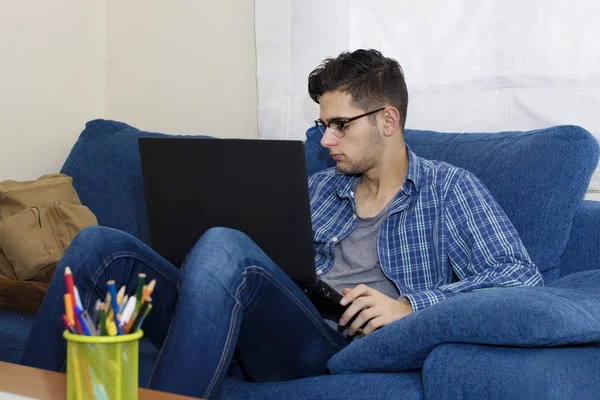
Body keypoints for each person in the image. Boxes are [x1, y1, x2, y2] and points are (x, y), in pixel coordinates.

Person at [20, 49, 543, 399]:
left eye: (339, 125)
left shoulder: (450, 189)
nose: (326, 140)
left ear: (388, 120)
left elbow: (522, 278)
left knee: (226, 244)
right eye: (322, 126)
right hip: (245, 316)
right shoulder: (317, 190)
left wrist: (408, 306)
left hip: (327, 343)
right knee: (98, 245)